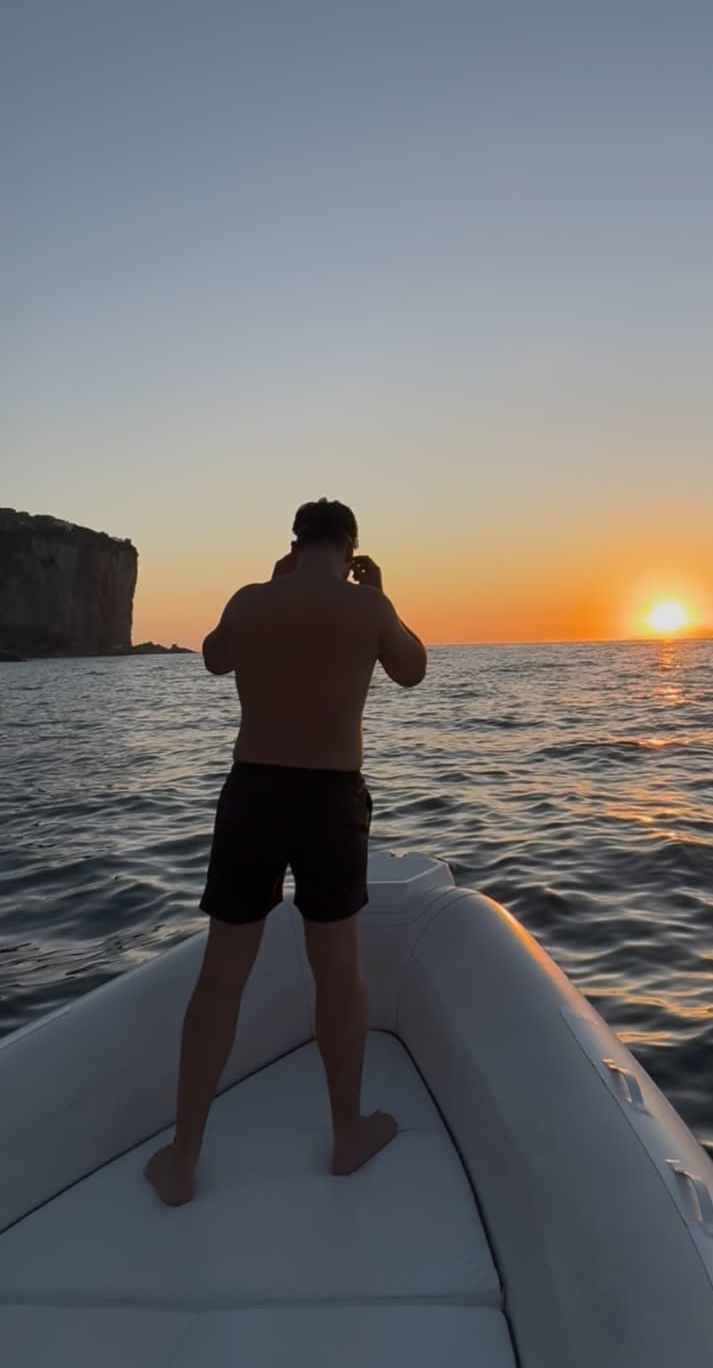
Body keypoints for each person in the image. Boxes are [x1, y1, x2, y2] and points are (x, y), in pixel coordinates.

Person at [145, 497, 427, 1206]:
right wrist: (380, 596)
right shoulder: (368, 607)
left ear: (294, 543)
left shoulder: (252, 599)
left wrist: (270, 589)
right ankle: (346, 1132)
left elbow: (213, 658)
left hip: (253, 795)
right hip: (330, 799)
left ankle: (182, 1158)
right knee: (337, 969)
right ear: (351, 547)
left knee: (220, 975)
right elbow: (412, 670)